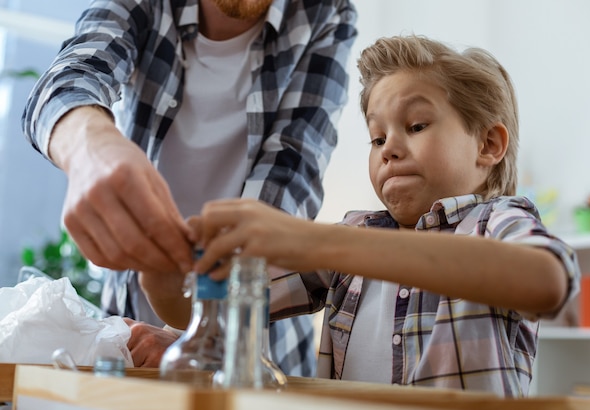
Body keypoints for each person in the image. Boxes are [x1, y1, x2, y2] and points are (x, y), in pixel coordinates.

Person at [139, 35, 580, 397]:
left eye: (416, 126)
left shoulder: (496, 221)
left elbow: (547, 282)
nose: (387, 148)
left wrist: (311, 239)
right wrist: (159, 272)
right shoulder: (355, 237)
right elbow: (199, 308)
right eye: (376, 137)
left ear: (488, 145)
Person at [21, 0, 358, 374]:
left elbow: (286, 183)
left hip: (256, 346)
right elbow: (70, 77)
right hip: (130, 333)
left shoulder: (326, 12)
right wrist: (91, 149)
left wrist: (197, 337)